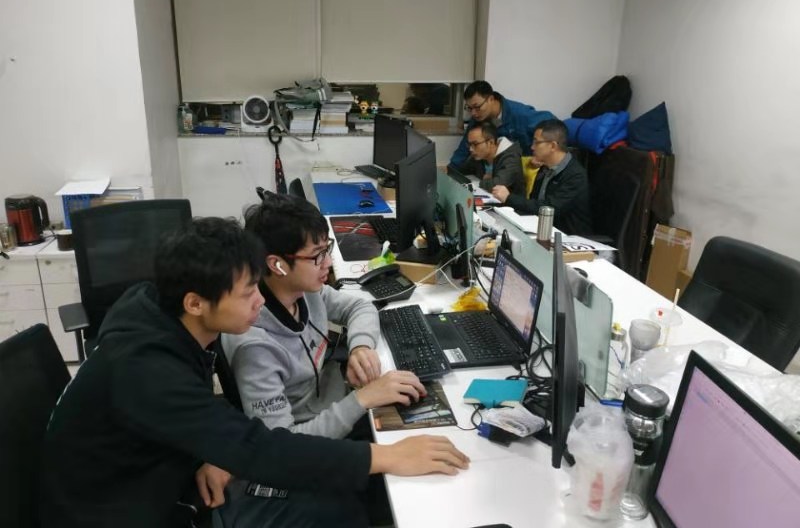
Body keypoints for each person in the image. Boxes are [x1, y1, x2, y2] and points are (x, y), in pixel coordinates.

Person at [39, 217, 469, 528]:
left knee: (345, 492)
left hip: (156, 469)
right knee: (338, 508)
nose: (260, 302)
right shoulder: (147, 371)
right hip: (118, 510)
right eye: (247, 294)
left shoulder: (156, 306)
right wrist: (388, 456)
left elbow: (183, 418)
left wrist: (203, 451)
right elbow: (260, 450)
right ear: (195, 303)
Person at [220, 193, 428, 525]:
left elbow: (359, 306)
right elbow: (283, 447)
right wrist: (362, 399)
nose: (328, 263)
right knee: (409, 474)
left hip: (336, 412)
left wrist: (360, 347)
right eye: (317, 255)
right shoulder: (254, 345)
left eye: (327, 248)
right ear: (277, 264)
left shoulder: (303, 292)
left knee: (418, 420)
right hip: (307, 447)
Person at [492, 119, 592, 236]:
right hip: (540, 230)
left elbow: (549, 209)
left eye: (537, 142)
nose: (532, 147)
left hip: (568, 238)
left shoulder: (575, 175)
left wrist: (509, 198)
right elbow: (534, 202)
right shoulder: (545, 167)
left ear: (553, 146)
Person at [449, 80, 556, 167]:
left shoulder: (520, 114)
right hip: (501, 168)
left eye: (477, 107)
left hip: (527, 168)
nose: (473, 113)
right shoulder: (478, 118)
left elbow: (554, 125)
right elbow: (465, 146)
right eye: (469, 108)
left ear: (491, 99)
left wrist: (539, 155)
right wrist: (451, 168)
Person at [454, 121, 525, 195]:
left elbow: (497, 185)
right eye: (469, 144)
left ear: (490, 142)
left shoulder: (511, 157)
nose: (471, 149)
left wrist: (481, 182)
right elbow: (460, 172)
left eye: (475, 144)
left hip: (508, 201)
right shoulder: (478, 155)